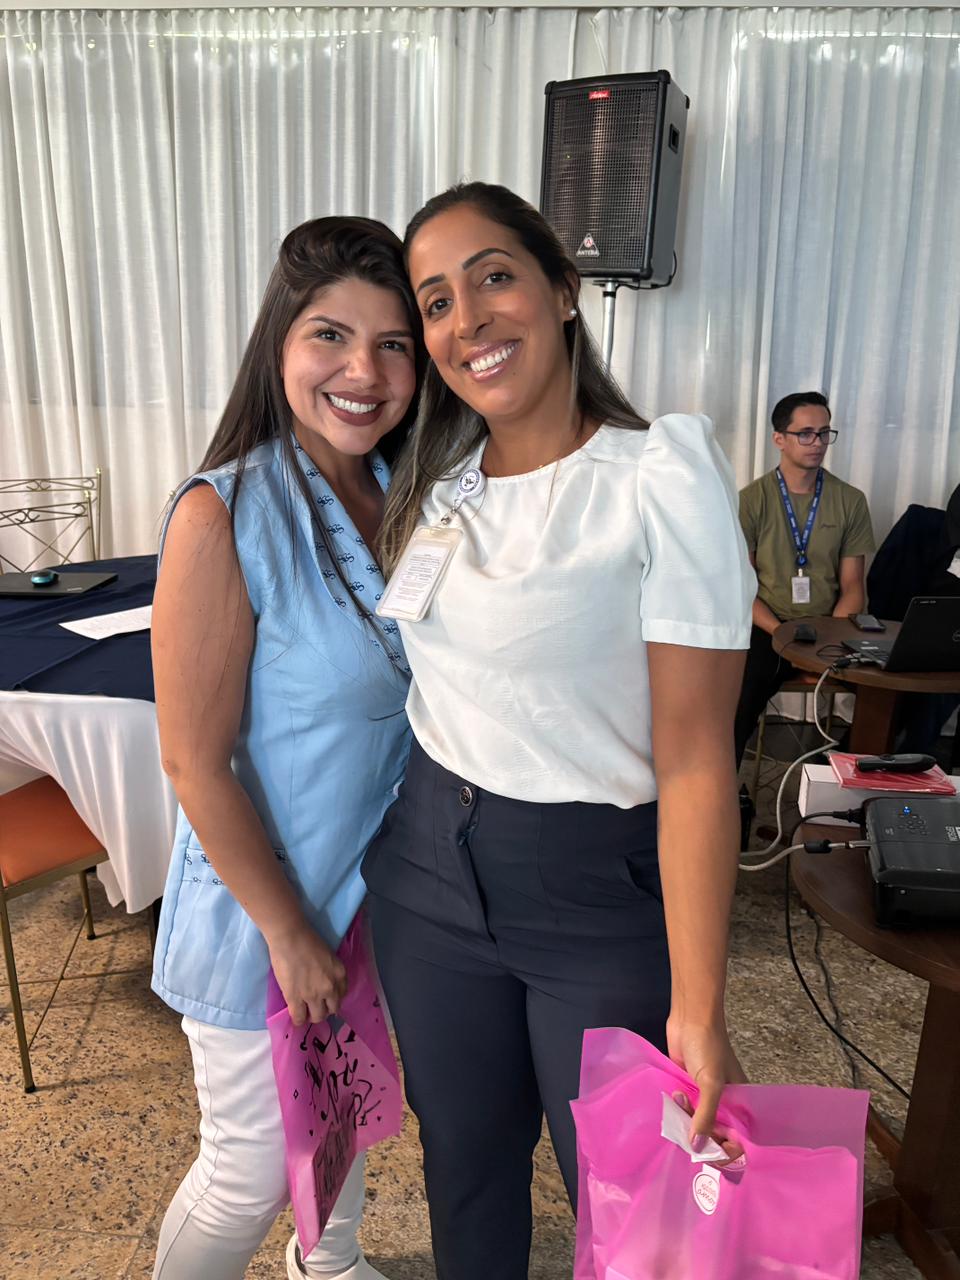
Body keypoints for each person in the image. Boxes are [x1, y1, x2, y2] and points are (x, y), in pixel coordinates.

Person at [360, 182, 755, 1280]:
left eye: (494, 277)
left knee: (629, 1209)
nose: (468, 321)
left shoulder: (654, 477)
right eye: (437, 302)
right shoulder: (435, 486)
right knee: (466, 1172)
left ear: (564, 289)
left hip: (594, 893)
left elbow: (695, 761)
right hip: (428, 876)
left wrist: (701, 1004)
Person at [149, 217, 422, 1280]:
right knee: (249, 1168)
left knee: (343, 1104)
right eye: (330, 336)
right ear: (280, 345)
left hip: (376, 899)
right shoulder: (223, 513)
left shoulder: (406, 493)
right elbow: (193, 760)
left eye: (393, 343)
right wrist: (288, 929)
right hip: (267, 911)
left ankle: (332, 1260)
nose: (364, 372)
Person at [734, 391, 875, 766]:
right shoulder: (751, 500)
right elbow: (742, 588)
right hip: (769, 627)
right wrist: (784, 636)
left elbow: (853, 587)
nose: (818, 442)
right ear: (779, 438)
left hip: (831, 628)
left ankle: (843, 777)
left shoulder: (849, 500)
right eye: (806, 433)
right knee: (737, 698)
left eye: (825, 433)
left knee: (886, 696)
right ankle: (726, 791)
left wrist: (828, 638)